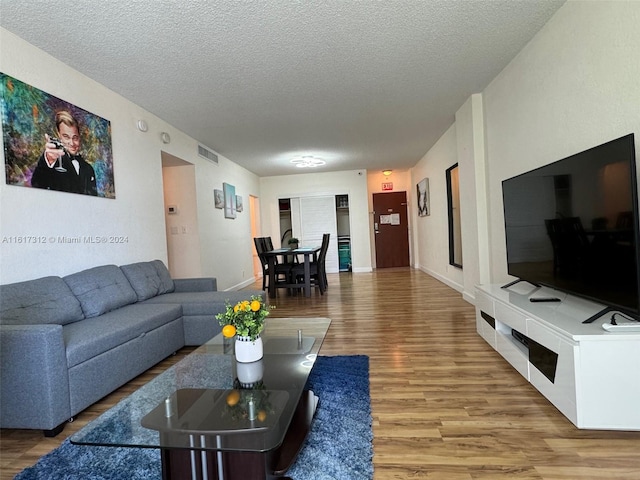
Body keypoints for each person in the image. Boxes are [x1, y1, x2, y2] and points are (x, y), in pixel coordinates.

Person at [31, 110, 97, 196]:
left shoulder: (88, 169)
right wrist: (48, 160)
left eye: (75, 138)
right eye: (66, 137)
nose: (72, 143)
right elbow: (37, 184)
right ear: (59, 135)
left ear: (79, 138)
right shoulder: (52, 162)